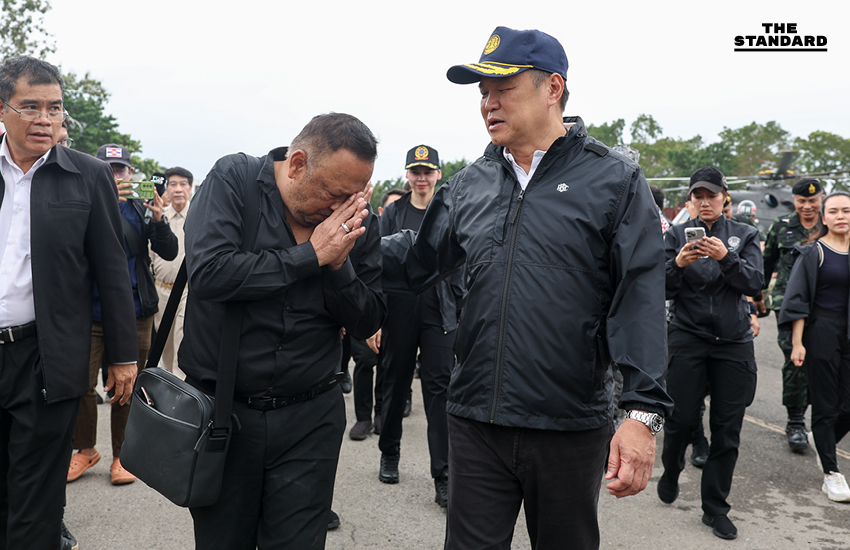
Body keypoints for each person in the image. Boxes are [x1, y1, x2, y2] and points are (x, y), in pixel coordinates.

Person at [381, 26, 671, 549]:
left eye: (503, 88)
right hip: (474, 420)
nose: (488, 103)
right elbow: (417, 262)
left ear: (553, 88)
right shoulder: (468, 185)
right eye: (482, 93)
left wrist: (642, 414)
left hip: (568, 423)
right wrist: (340, 239)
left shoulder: (614, 180)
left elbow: (642, 297)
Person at [179, 113, 386, 549]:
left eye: (354, 195)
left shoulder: (355, 219)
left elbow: (368, 319)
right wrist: (310, 255)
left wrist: (338, 263)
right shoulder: (234, 180)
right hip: (226, 414)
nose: (340, 208)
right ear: (296, 165)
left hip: (311, 416)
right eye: (333, 193)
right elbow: (211, 274)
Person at [0, 55, 137, 549]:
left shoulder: (87, 175)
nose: (45, 119)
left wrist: (123, 354)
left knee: (36, 499)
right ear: (2, 110)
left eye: (54, 108)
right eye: (30, 106)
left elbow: (111, 269)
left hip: (46, 357)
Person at [659, 166, 764, 540]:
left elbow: (755, 283)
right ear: (688, 201)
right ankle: (671, 468)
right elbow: (661, 290)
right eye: (697, 196)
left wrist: (725, 258)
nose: (704, 203)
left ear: (724, 199)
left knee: (727, 429)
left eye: (711, 196)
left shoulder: (744, 235)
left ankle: (715, 507)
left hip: (733, 342)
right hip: (688, 337)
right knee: (680, 418)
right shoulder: (673, 236)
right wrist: (678, 264)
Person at [67, 144, 178, 486]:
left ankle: (122, 456)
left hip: (135, 312)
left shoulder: (142, 210)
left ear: (131, 174)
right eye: (108, 169)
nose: (115, 176)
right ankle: (85, 449)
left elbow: (170, 251)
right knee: (80, 384)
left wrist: (158, 218)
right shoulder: (79, 203)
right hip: (90, 311)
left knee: (128, 386)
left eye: (121, 170)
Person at [371, 145, 464, 510]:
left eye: (428, 172)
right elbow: (376, 263)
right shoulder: (393, 212)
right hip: (400, 308)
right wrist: (375, 318)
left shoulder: (448, 212)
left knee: (440, 392)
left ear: (438, 175)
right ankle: (389, 452)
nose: (421, 178)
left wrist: (458, 308)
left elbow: (460, 263)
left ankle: (443, 475)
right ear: (407, 175)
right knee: (394, 382)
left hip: (439, 309)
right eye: (415, 172)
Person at [779, 191, 850, 502]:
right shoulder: (813, 252)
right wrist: (797, 343)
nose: (841, 216)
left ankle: (823, 440)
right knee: (825, 404)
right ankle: (831, 474)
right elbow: (797, 300)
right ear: (824, 218)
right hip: (821, 330)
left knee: (847, 405)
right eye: (833, 211)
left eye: (846, 211)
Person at [763, 178, 824, 451]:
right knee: (795, 359)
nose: (807, 206)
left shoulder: (831, 224)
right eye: (801, 201)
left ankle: (824, 416)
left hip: (826, 304)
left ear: (821, 198)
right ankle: (796, 421)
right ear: (794, 200)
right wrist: (757, 296)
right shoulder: (782, 226)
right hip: (788, 304)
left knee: (824, 359)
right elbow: (766, 265)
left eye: (813, 201)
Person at [150, 166, 194, 376]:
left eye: (183, 184)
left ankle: (180, 394)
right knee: (163, 345)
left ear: (190, 188)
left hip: (187, 291)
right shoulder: (158, 217)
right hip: (160, 291)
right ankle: (165, 389)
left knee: (182, 341)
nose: (178, 189)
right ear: (166, 189)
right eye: (173, 184)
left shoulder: (197, 217)